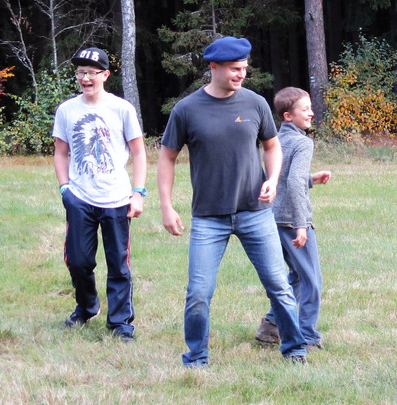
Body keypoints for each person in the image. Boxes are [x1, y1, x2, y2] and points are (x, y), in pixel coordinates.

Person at [157, 36, 306, 367]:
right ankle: (196, 358)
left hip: (255, 212)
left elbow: (272, 145)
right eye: (235, 69)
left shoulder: (255, 103)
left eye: (244, 68)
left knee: (278, 285)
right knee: (199, 292)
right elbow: (167, 157)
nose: (242, 74)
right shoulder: (186, 109)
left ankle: (295, 350)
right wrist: (166, 205)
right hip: (208, 217)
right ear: (214, 67)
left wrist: (272, 179)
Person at [52, 46, 146, 342]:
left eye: (92, 73)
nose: (85, 78)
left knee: (118, 264)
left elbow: (139, 152)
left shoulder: (121, 109)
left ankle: (120, 323)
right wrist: (65, 188)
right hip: (80, 197)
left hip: (117, 199)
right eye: (81, 73)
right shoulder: (67, 110)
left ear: (105, 75)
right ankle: (87, 307)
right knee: (78, 261)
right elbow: (60, 152)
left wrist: (138, 192)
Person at [254, 87, 331, 350]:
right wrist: (301, 225)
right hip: (291, 221)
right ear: (288, 116)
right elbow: (295, 183)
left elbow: (282, 179)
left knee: (296, 275)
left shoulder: (274, 140)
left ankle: (271, 324)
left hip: (270, 218)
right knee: (311, 280)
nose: (311, 113)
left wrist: (312, 179)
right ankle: (307, 336)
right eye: (305, 109)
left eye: (310, 108)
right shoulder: (303, 143)